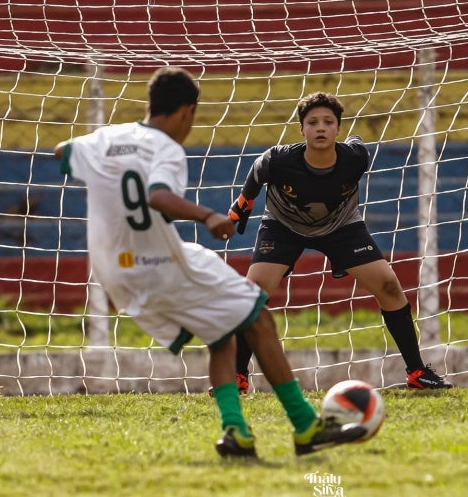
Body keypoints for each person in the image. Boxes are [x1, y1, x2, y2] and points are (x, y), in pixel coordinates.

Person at [53, 67, 366, 458]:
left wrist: (110, 161)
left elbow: (62, 152)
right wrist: (208, 216)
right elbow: (157, 196)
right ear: (188, 111)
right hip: (159, 261)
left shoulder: (108, 138)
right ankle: (306, 427)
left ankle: (236, 431)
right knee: (258, 316)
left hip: (112, 270)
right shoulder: (166, 148)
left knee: (222, 334)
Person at [227, 91, 453, 392]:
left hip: (341, 226)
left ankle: (416, 372)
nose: (320, 127)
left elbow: (359, 142)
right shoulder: (280, 159)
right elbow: (258, 169)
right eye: (313, 122)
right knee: (253, 296)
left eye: (328, 122)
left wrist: (356, 139)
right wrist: (243, 203)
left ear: (337, 128)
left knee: (388, 286)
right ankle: (237, 377)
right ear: (301, 129)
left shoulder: (355, 158)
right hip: (283, 226)